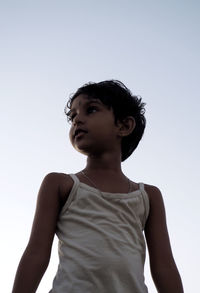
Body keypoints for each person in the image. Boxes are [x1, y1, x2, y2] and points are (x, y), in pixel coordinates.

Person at [12, 80, 184, 293]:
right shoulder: (60, 184)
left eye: (90, 110)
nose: (77, 120)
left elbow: (164, 267)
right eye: (73, 116)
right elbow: (36, 254)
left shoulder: (148, 195)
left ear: (124, 126)